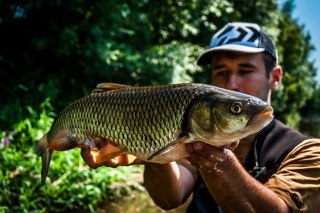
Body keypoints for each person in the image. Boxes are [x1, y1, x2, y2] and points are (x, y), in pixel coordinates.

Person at [81, 22, 320, 212]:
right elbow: (169, 198)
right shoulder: (196, 131)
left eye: (245, 70)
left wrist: (219, 163)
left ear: (275, 77)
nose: (232, 84)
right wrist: (151, 152)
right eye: (221, 72)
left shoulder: (307, 152)